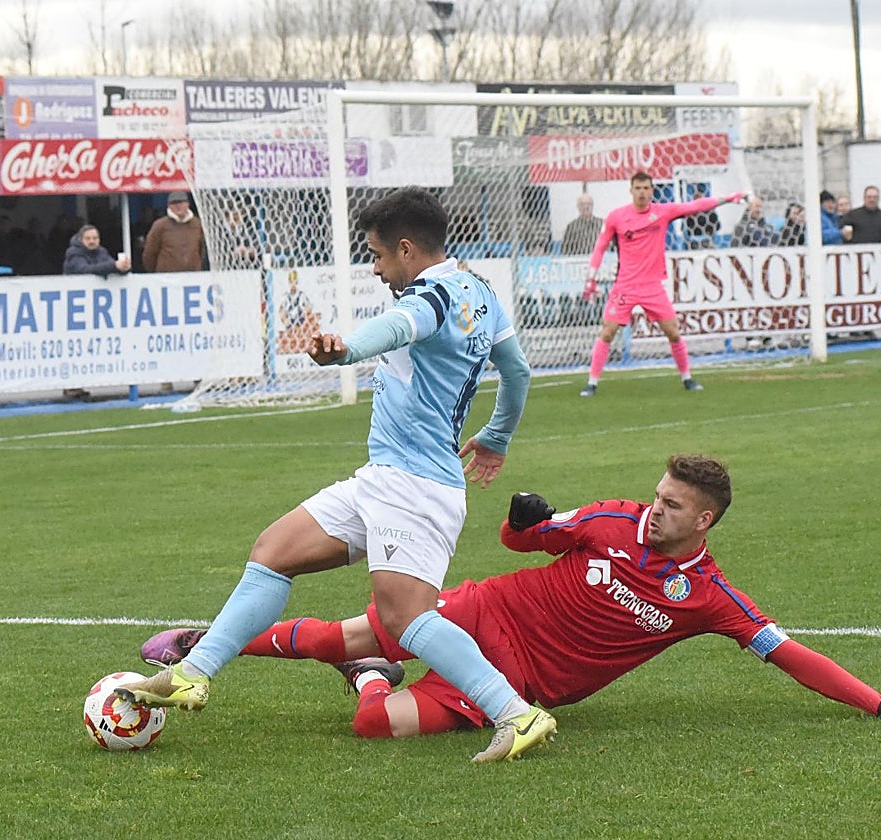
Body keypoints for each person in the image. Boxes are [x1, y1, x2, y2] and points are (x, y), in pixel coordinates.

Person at [115, 186, 557, 763]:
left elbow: (397, 328)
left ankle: (515, 714)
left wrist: (344, 349)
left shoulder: (431, 297)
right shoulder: (480, 290)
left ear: (405, 249)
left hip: (416, 489)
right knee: (273, 550)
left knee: (405, 619)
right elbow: (517, 371)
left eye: (376, 256)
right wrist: (496, 436)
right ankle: (192, 674)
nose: (374, 269)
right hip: (384, 478)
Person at [141, 455, 881, 742]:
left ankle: (369, 676)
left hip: (528, 682)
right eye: (656, 493)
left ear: (703, 520)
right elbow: (522, 543)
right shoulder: (607, 520)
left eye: (671, 504)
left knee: (369, 720)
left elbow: (789, 655)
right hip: (485, 615)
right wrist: (526, 523)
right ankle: (199, 642)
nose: (653, 507)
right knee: (343, 635)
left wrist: (876, 703)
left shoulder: (708, 597)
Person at [578, 172, 745, 397]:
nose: (642, 193)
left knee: (673, 332)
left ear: (652, 190)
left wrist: (729, 198)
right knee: (607, 331)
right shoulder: (617, 217)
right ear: (631, 190)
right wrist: (591, 277)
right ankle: (592, 383)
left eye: (646, 188)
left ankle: (687, 378)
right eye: (638, 188)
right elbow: (600, 247)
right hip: (625, 285)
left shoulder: (662, 212)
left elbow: (695, 206)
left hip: (652, 286)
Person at [143, 192, 205, 273]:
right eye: (174, 203)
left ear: (187, 204)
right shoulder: (159, 225)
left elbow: (202, 250)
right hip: (166, 279)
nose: (178, 206)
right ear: (168, 206)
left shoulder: (197, 224)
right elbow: (150, 253)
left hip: (194, 277)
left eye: (181, 202)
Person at [62, 224, 130, 276]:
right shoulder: (74, 253)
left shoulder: (102, 252)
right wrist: (114, 266)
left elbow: (111, 265)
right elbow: (84, 270)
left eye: (95, 238)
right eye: (88, 238)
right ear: (80, 240)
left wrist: (123, 268)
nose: (92, 241)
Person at [684, 183, 721, 248]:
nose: (697, 198)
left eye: (699, 196)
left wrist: (709, 232)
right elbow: (686, 228)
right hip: (694, 240)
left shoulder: (710, 211)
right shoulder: (689, 212)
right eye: (695, 196)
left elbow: (717, 226)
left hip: (706, 239)